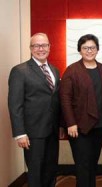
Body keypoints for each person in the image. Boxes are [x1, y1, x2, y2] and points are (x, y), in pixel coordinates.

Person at [60, 34, 102, 187]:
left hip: (99, 125)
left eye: (92, 47)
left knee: (92, 164)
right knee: (82, 165)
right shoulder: (71, 70)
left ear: (97, 49)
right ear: (80, 50)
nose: (89, 51)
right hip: (79, 127)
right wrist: (70, 123)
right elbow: (65, 99)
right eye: (85, 48)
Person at [8, 33, 60, 187]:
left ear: (50, 47)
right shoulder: (20, 71)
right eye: (36, 45)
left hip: (52, 130)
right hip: (32, 133)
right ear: (30, 48)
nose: (41, 49)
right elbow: (14, 104)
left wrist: (61, 125)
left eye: (44, 45)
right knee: (35, 172)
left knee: (51, 170)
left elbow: (55, 100)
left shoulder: (55, 70)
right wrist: (19, 133)